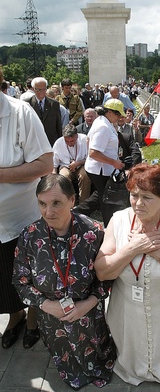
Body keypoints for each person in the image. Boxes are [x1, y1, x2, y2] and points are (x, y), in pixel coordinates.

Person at [94, 163, 160, 387]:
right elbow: (103, 271)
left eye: (147, 197)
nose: (138, 203)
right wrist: (132, 248)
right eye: (134, 195)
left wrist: (159, 252)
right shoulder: (118, 220)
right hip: (126, 313)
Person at [12, 174, 116, 389]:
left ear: (72, 200)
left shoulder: (94, 232)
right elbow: (20, 281)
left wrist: (87, 304)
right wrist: (46, 305)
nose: (48, 212)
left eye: (56, 203)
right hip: (51, 319)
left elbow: (109, 276)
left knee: (98, 357)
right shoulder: (29, 236)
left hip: (89, 315)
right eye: (42, 203)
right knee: (65, 361)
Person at [0, 68, 53, 349]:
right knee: (3, 279)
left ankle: (33, 318)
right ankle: (15, 315)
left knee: (28, 275)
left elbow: (45, 164)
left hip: (21, 218)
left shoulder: (20, 113)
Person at [84, 99, 125, 227]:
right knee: (107, 200)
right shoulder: (103, 126)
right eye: (118, 114)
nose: (119, 118)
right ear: (110, 113)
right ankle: (109, 226)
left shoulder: (102, 121)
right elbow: (93, 152)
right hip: (100, 170)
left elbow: (88, 140)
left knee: (101, 195)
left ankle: (77, 212)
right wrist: (114, 162)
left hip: (100, 168)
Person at [53, 124, 91, 204]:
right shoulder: (58, 143)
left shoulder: (84, 139)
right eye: (67, 141)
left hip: (81, 164)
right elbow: (54, 164)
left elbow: (90, 158)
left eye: (72, 141)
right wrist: (54, 177)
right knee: (63, 177)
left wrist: (78, 163)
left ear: (77, 136)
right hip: (65, 166)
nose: (70, 143)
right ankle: (68, 203)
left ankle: (83, 203)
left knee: (84, 176)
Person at [26, 77, 62, 147]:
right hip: (34, 143)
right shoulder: (27, 104)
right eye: (39, 90)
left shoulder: (54, 104)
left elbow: (58, 125)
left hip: (51, 141)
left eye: (44, 89)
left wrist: (59, 142)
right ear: (33, 89)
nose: (42, 92)